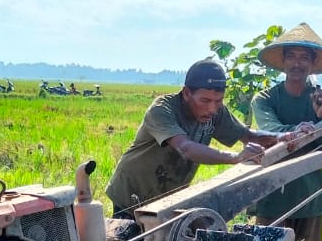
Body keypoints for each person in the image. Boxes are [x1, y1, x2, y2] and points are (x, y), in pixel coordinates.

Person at [104, 58, 310, 218]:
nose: (212, 108)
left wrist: (285, 136)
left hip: (168, 197)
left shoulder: (216, 112)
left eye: (218, 101)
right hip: (132, 193)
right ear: (186, 93)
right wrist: (235, 158)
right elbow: (185, 147)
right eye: (205, 100)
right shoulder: (162, 110)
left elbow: (249, 135)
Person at [248, 23, 322, 241]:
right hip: (271, 195)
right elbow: (269, 132)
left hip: (308, 195)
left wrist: (320, 118)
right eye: (291, 57)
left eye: (304, 58)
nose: (297, 63)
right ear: (283, 62)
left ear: (313, 63)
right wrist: (298, 131)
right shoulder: (265, 99)